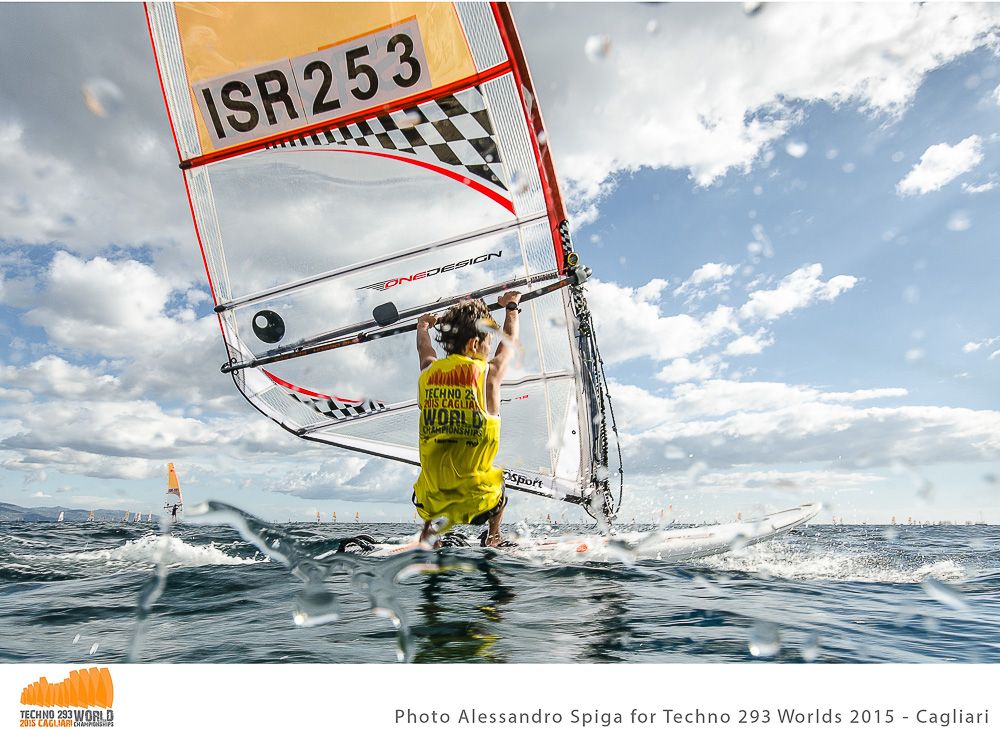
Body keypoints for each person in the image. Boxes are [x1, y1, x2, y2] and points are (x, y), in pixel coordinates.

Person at [412, 290, 522, 547]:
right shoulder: (488, 376)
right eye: (488, 342)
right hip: (479, 504)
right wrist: (511, 307)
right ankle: (493, 536)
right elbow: (510, 343)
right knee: (499, 482)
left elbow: (424, 349)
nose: (490, 348)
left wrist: (423, 326)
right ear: (474, 344)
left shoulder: (428, 371)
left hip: (431, 502)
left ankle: (429, 534)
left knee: (431, 478)